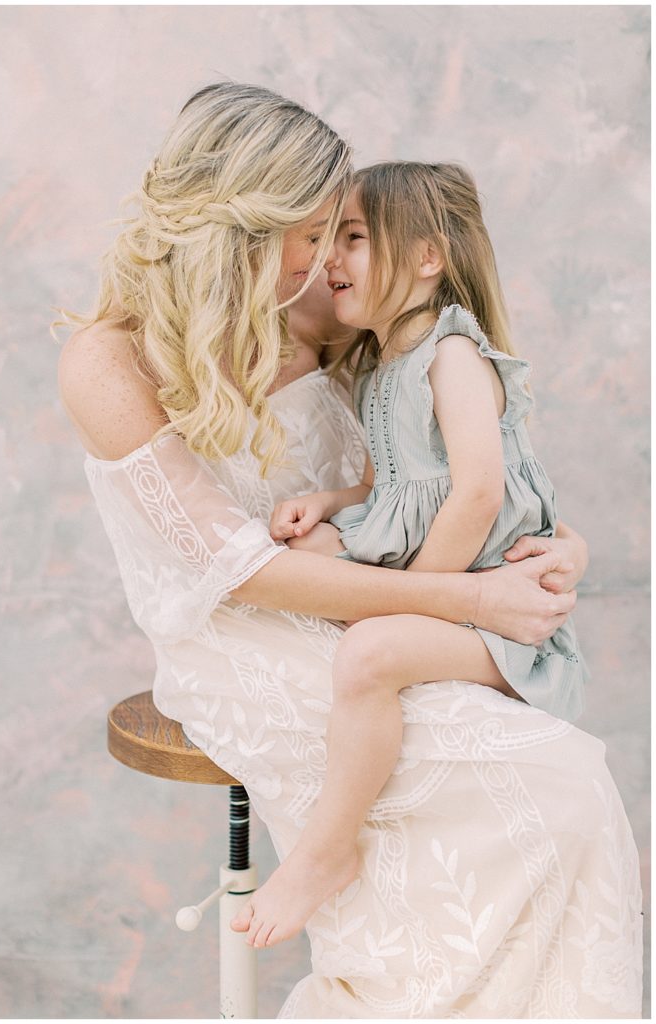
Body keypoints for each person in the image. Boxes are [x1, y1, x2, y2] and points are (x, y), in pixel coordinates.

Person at [57, 83, 642, 1017]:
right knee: (528, 780)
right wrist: (477, 601)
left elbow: (454, 454)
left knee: (566, 779)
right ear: (249, 224)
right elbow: (240, 573)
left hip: (384, 604)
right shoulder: (109, 361)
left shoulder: (323, 319)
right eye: (316, 229)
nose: (333, 256)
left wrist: (553, 542)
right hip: (246, 638)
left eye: (345, 232)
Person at [232, 162, 590, 949]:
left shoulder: (451, 355)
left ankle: (325, 853)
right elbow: (391, 479)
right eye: (329, 239)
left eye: (354, 239)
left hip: (494, 609)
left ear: (426, 258)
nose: (332, 259)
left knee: (368, 650)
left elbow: (476, 495)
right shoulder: (388, 365)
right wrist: (331, 506)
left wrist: (410, 598)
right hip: (445, 581)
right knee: (316, 555)